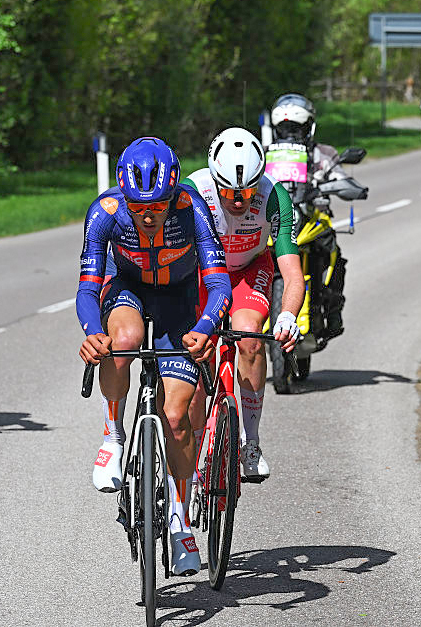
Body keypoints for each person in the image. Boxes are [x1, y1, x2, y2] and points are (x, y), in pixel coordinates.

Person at [76, 137, 232, 577]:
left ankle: (180, 520)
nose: (148, 215)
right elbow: (88, 288)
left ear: (173, 195)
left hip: (179, 301)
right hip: (127, 290)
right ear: (125, 197)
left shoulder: (192, 208)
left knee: (178, 417)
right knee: (122, 339)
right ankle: (112, 436)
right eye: (139, 206)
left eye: (159, 205)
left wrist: (205, 328)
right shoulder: (105, 212)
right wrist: (92, 333)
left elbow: (218, 285)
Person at [180, 127, 303, 482]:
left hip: (250, 269)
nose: (238, 201)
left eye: (247, 191)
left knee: (249, 337)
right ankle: (193, 449)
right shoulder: (193, 191)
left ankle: (251, 442)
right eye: (229, 192)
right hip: (204, 275)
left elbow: (293, 274)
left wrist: (288, 316)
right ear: (214, 180)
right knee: (196, 357)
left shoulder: (274, 196)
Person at [269, 93, 362, 337]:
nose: (290, 134)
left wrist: (341, 186)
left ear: (308, 127)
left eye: (296, 128)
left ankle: (333, 308)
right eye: (285, 129)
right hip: (274, 221)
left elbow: (340, 176)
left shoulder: (324, 153)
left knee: (334, 254)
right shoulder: (265, 154)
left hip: (311, 217)